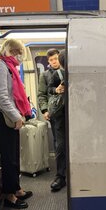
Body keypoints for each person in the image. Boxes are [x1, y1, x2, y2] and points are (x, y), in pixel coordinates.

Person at [0, 38, 33, 209]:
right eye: (17, 52)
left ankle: (16, 189)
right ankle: (9, 195)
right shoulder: (1, 67)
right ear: (9, 51)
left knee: (14, 156)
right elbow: (2, 97)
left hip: (11, 116)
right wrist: (16, 116)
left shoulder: (11, 69)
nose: (19, 56)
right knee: (8, 158)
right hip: (3, 117)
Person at [47, 50, 66, 192]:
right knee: (60, 145)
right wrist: (57, 90)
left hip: (79, 115)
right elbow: (49, 89)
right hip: (60, 115)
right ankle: (60, 176)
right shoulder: (57, 74)